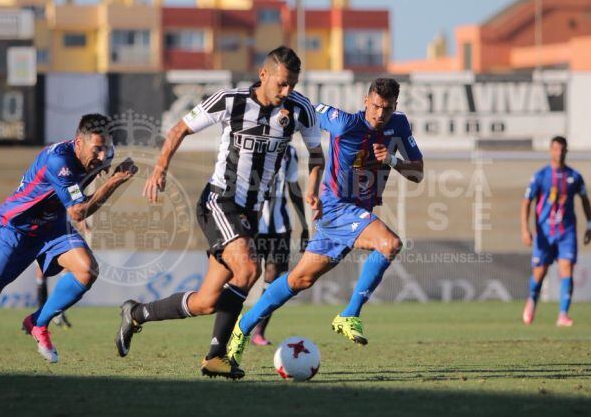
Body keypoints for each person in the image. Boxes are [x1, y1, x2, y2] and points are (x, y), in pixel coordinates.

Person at [115, 46, 324, 380]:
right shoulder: (230, 100)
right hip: (219, 201)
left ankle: (137, 313)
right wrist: (160, 169)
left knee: (206, 301)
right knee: (248, 268)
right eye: (282, 84)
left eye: (293, 85)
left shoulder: (300, 109)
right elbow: (179, 128)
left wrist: (312, 187)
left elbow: (317, 154)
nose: (287, 92)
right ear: (264, 75)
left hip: (249, 215)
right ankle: (216, 355)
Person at [0, 114, 137, 380]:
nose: (103, 156)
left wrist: (108, 172)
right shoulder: (59, 161)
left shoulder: (102, 154)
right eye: (97, 149)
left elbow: (88, 188)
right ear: (79, 142)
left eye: (106, 148)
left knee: (87, 270)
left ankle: (38, 322)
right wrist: (114, 181)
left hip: (52, 227)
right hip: (15, 229)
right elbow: (79, 212)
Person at [228, 78, 424, 365]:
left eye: (388, 108)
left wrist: (392, 161)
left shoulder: (399, 125)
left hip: (354, 213)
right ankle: (349, 314)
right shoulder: (343, 123)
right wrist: (281, 110)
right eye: (376, 106)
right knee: (389, 243)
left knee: (299, 279)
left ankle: (242, 328)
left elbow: (417, 173)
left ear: (396, 106)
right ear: (365, 100)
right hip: (336, 208)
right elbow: (302, 105)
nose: (380, 114)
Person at [521, 136, 591, 327]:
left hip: (566, 232)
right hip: (544, 232)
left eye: (562, 149)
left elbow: (585, 200)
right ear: (550, 151)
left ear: (566, 151)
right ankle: (532, 300)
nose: (559, 153)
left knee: (566, 268)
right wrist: (525, 229)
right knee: (540, 272)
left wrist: (590, 225)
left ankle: (563, 315)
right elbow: (526, 202)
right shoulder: (540, 176)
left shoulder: (574, 177)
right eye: (555, 149)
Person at [251, 144, 308, 346]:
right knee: (246, 275)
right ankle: (234, 326)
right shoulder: (256, 146)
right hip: (253, 225)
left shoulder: (290, 152)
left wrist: (304, 225)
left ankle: (258, 331)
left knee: (273, 278)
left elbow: (294, 188)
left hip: (281, 228)